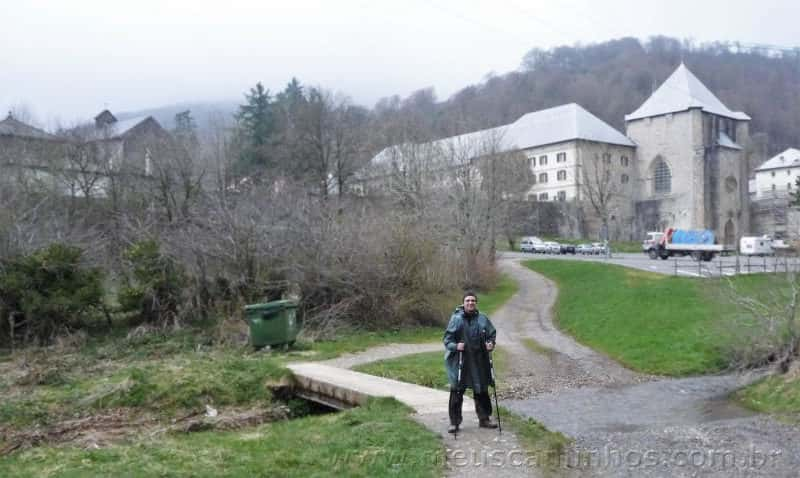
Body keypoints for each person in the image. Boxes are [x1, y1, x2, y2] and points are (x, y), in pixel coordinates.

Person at [443, 291, 498, 433]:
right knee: (456, 391)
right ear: (463, 303)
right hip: (460, 361)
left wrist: (490, 343)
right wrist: (456, 346)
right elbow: (447, 340)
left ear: (476, 303)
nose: (470, 303)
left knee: (481, 390)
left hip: (479, 360)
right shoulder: (456, 319)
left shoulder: (483, 319)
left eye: (473, 300)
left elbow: (491, 334)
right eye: (468, 300)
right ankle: (454, 422)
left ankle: (484, 419)